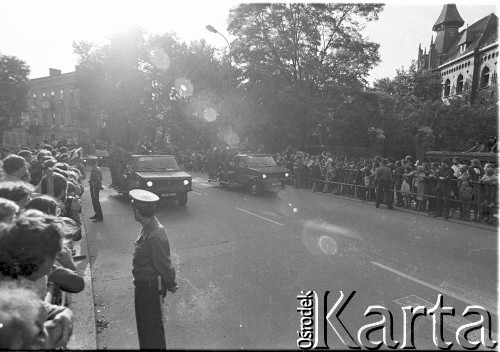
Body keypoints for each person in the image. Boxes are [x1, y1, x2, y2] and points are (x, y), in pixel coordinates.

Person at [130, 189, 177, 350]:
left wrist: (170, 283)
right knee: (145, 329)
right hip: (143, 288)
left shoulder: (156, 233)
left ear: (137, 211)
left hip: (150, 289)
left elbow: (163, 263)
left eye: (133, 209)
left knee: (152, 331)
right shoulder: (148, 227)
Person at [88, 156, 103, 222]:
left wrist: (95, 185)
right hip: (94, 186)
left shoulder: (96, 169)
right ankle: (97, 214)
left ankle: (99, 217)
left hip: (95, 187)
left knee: (96, 202)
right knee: (94, 202)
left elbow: (99, 179)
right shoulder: (96, 168)